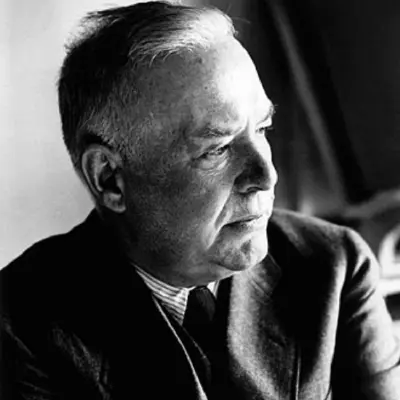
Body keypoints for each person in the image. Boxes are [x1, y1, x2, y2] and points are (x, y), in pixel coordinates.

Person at [1, 1, 399, 399]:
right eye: (217, 148)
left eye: (262, 128)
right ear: (110, 179)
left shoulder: (334, 265)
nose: (266, 176)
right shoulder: (19, 327)